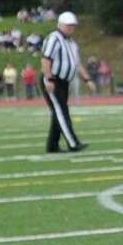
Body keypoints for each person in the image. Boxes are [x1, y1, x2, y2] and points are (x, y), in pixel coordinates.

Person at [41, 12, 90, 152]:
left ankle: (52, 145)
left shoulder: (72, 44)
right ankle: (73, 143)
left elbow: (77, 64)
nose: (71, 28)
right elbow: (45, 60)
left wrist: (87, 79)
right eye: (68, 26)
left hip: (64, 82)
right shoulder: (54, 38)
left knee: (58, 112)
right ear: (61, 25)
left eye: (73, 26)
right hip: (53, 80)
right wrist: (49, 78)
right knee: (62, 112)